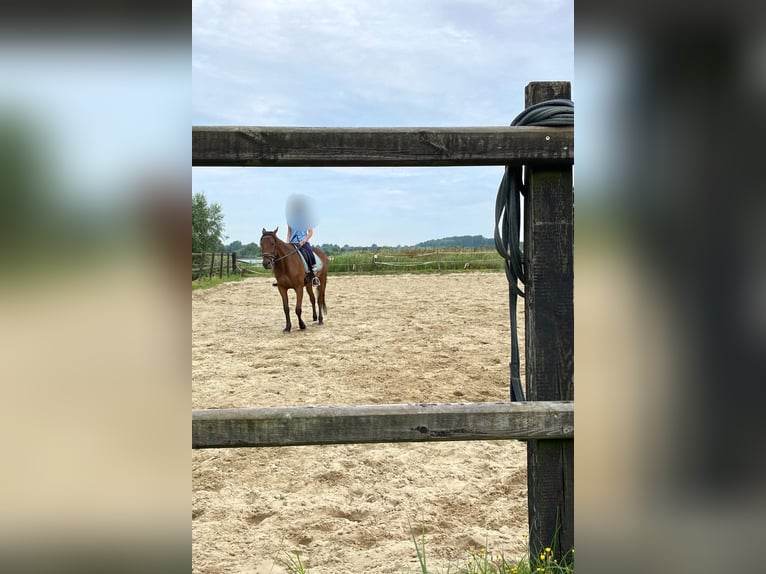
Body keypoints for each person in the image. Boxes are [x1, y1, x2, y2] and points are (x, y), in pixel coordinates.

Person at [285, 196, 320, 286]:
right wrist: (287, 242)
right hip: (292, 243)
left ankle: (314, 276)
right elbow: (289, 233)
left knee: (310, 254)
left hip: (302, 242)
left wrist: (304, 241)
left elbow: (310, 232)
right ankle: (282, 277)